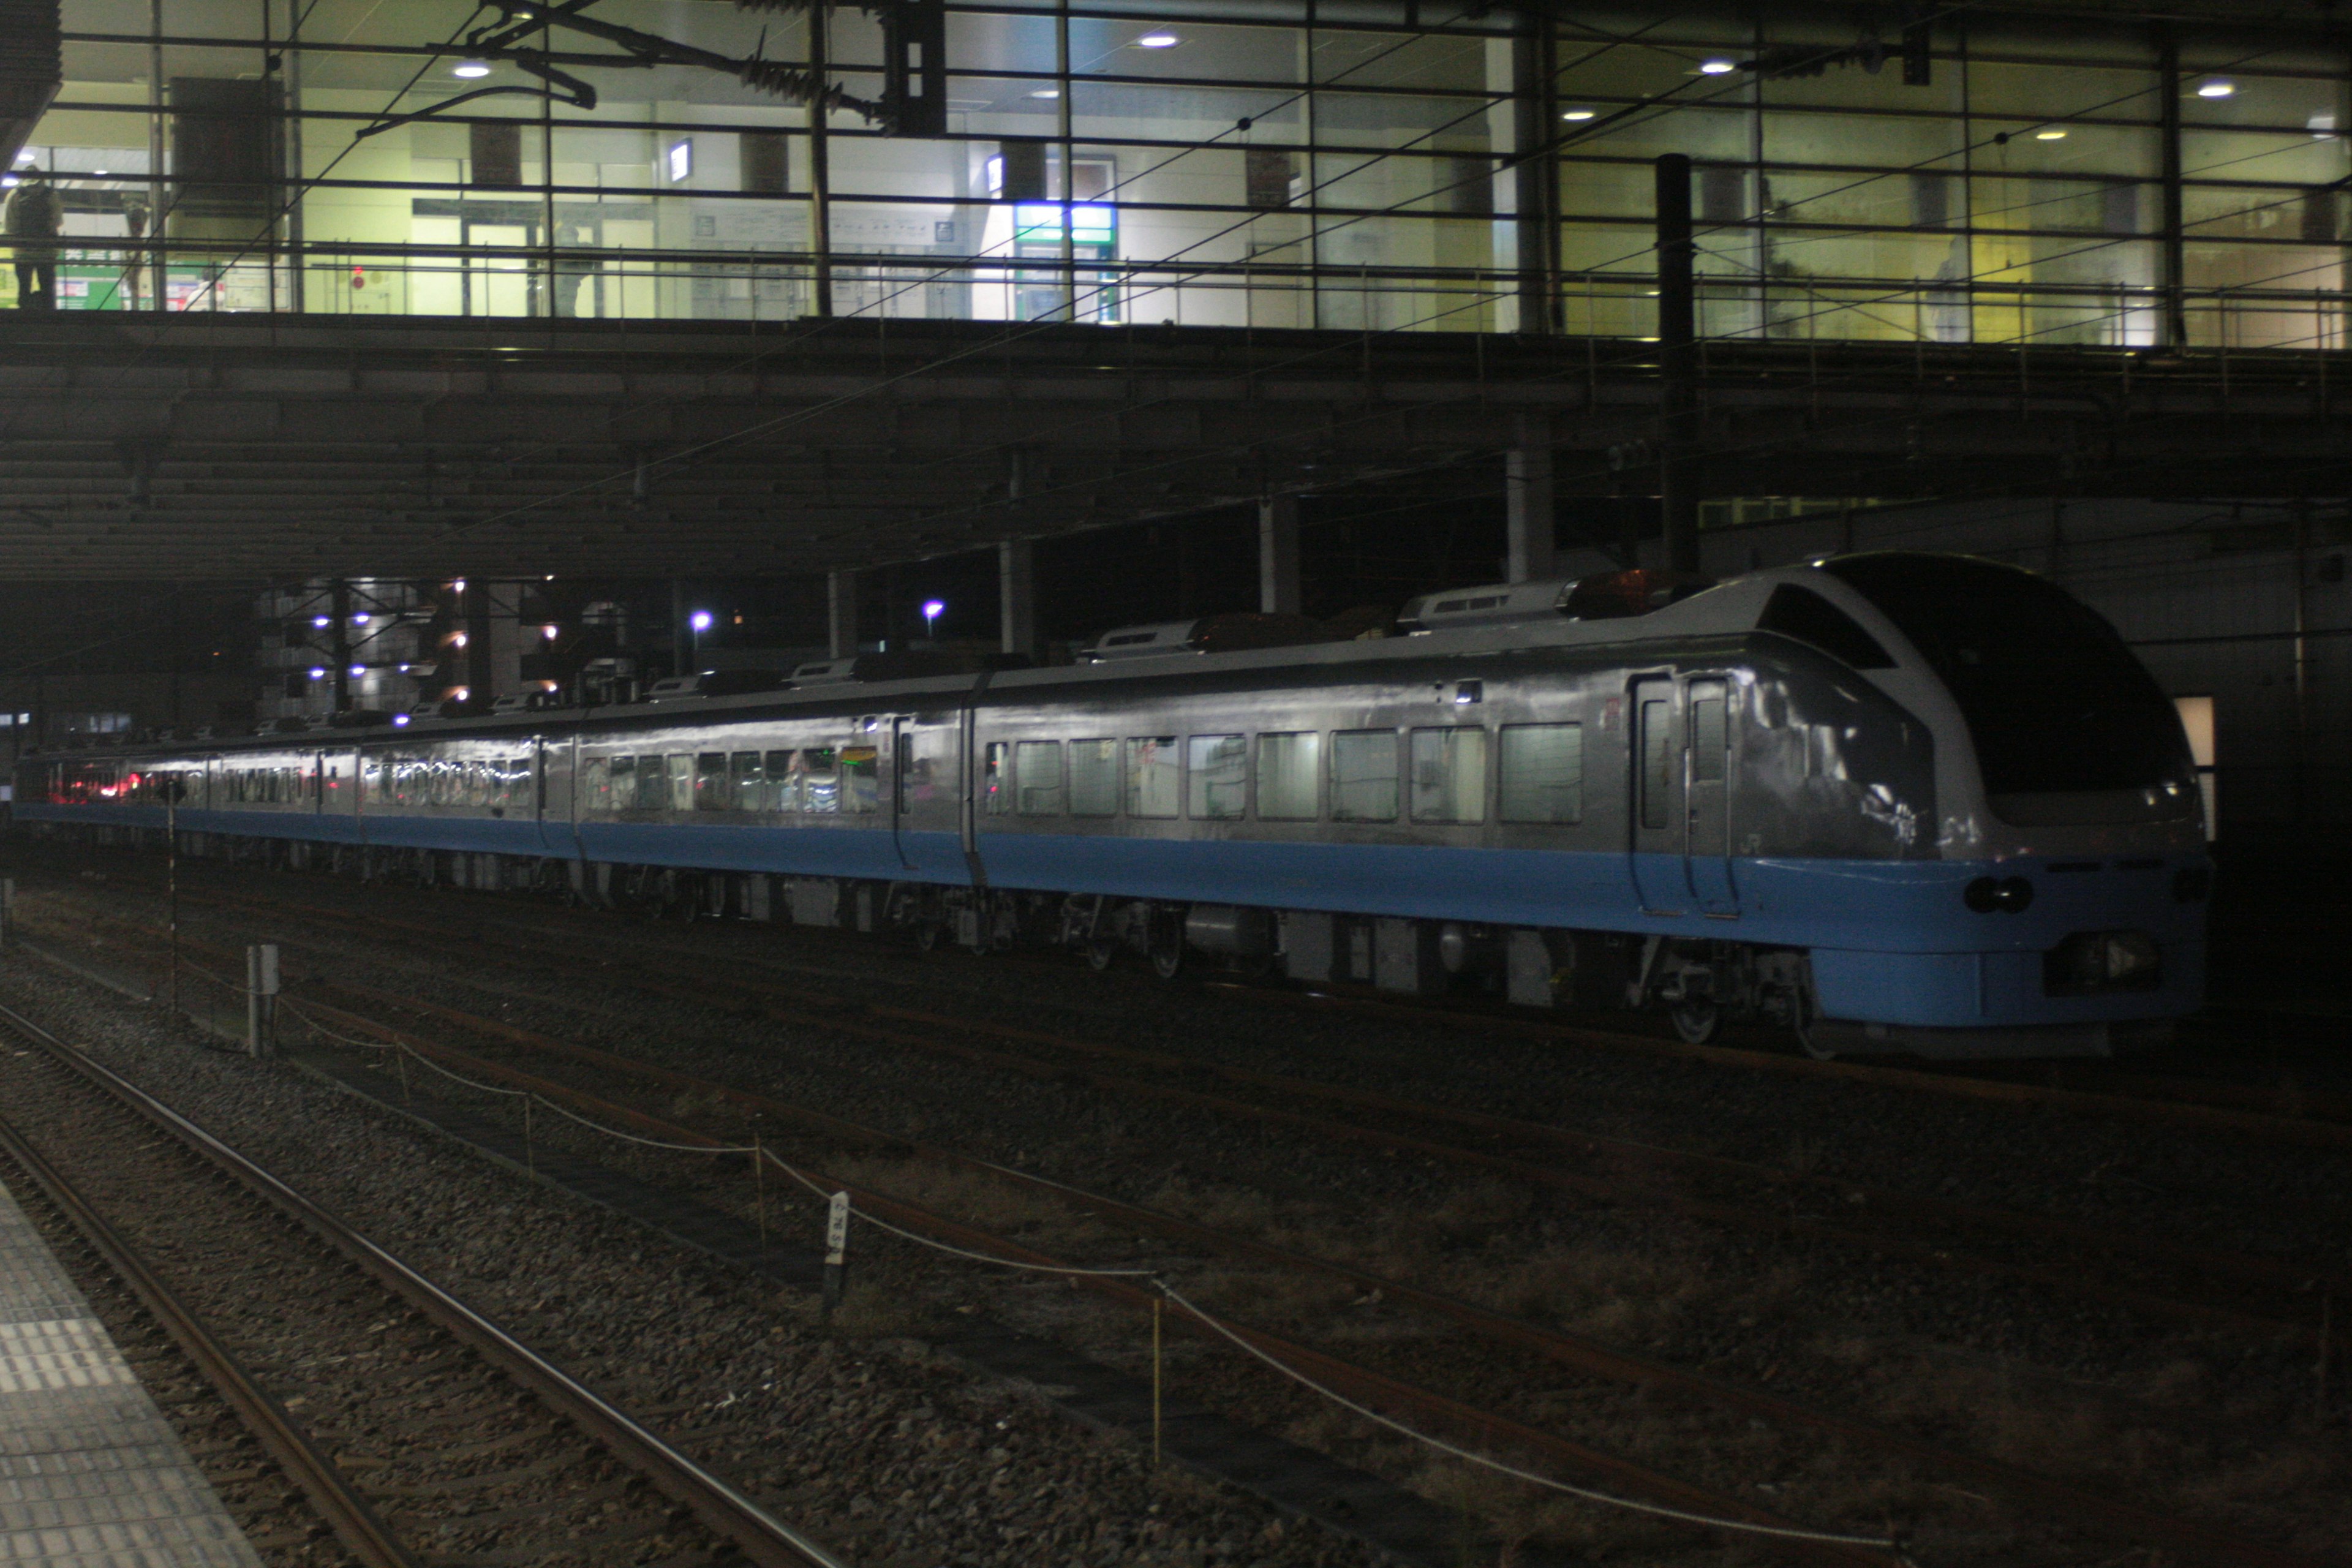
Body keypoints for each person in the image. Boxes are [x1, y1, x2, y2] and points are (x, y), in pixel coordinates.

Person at [6, 172, 63, 311]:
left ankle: (24, 318)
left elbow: (10, 226)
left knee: (24, 287)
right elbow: (58, 221)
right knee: (48, 288)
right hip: (47, 250)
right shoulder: (52, 195)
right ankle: (49, 318)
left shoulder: (15, 194)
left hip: (22, 251)